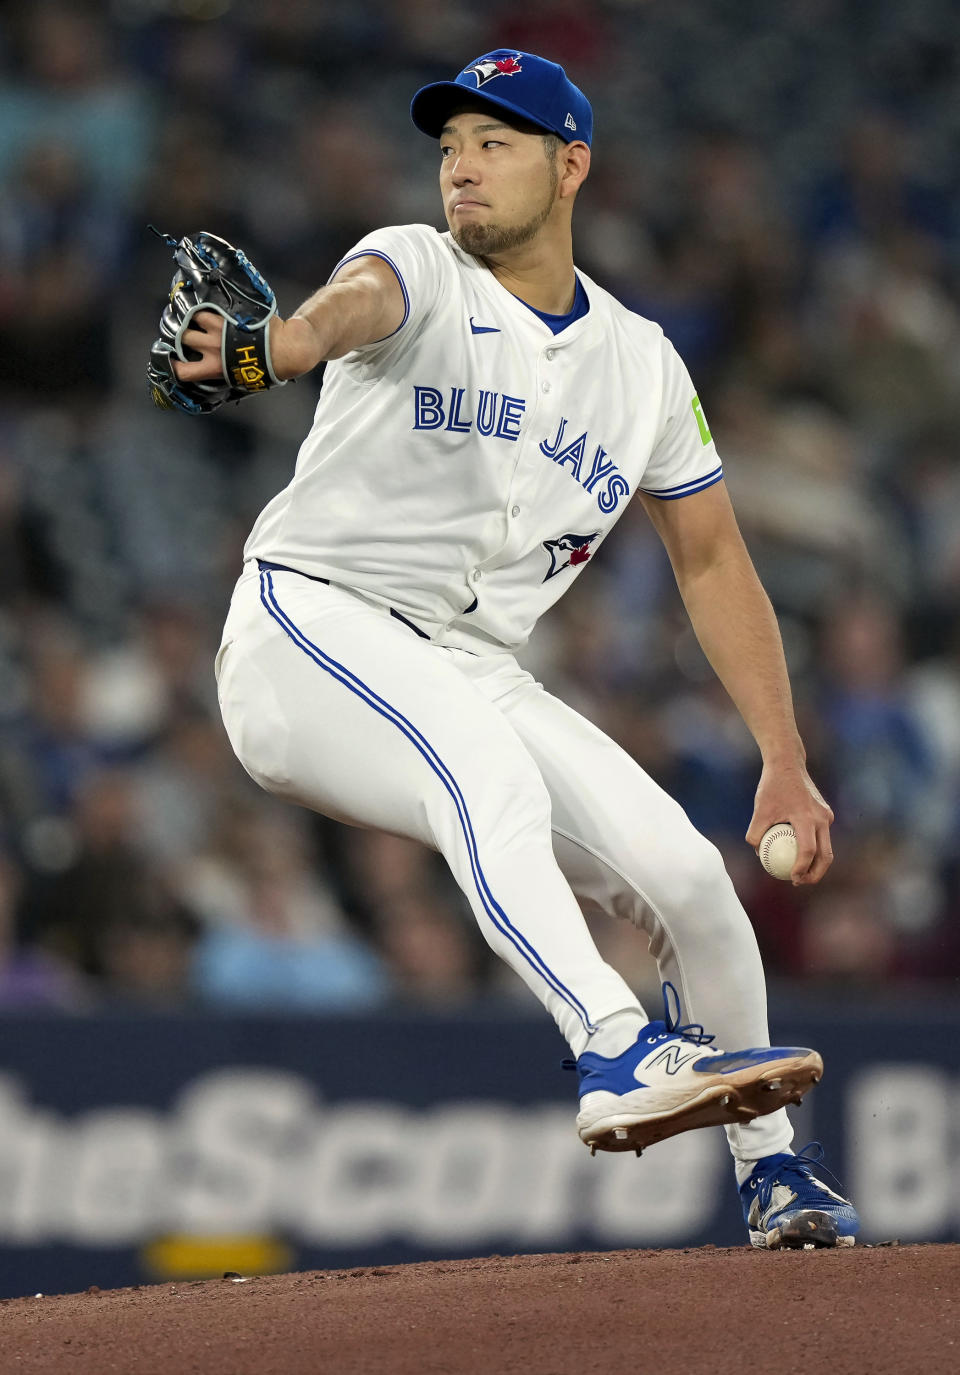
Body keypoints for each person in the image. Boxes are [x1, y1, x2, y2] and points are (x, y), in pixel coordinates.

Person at [171, 50, 859, 1250]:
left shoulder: (640, 360)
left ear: (570, 163)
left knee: (688, 878)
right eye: (449, 147)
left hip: (467, 659)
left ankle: (775, 1175)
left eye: (495, 142)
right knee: (482, 773)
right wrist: (280, 347)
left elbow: (710, 559)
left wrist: (783, 754)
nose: (461, 168)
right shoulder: (418, 262)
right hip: (312, 624)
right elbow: (350, 308)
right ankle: (609, 1044)